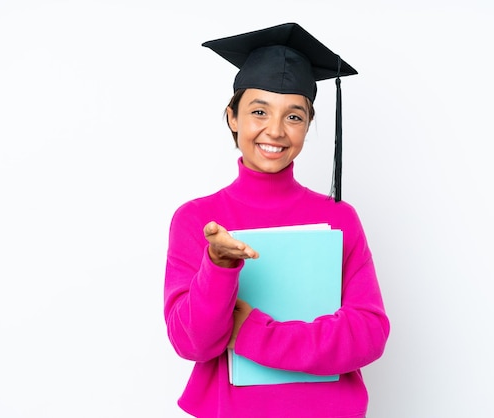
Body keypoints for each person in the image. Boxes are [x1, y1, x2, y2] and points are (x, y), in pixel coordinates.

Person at [163, 22, 390, 418]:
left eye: (294, 117)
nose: (275, 130)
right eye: (258, 111)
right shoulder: (196, 220)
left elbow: (368, 334)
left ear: (308, 124)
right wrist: (218, 267)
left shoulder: (338, 218)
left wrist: (255, 334)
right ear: (232, 117)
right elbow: (193, 344)